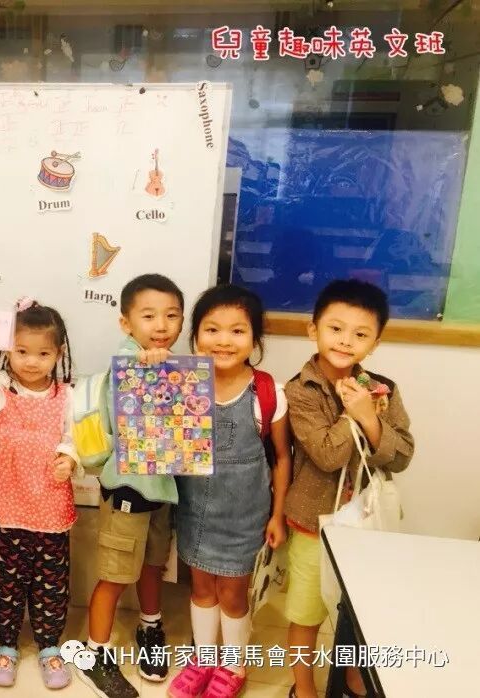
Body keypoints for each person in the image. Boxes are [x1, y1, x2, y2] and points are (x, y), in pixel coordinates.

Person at [283, 280, 414, 698]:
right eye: (336, 328)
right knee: (306, 613)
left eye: (360, 334)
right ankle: (303, 686)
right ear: (314, 330)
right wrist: (352, 415)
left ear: (374, 343)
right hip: (312, 523)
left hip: (365, 522)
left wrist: (370, 417)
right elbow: (326, 455)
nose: (345, 341)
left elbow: (402, 456)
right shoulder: (299, 390)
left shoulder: (383, 389)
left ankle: (355, 681)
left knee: (359, 610)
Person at [168, 285, 292, 698]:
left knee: (233, 595)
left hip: (244, 517)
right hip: (194, 510)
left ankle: (234, 666)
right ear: (195, 336)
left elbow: (282, 458)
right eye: (212, 329)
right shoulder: (180, 383)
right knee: (201, 589)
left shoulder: (268, 393)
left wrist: (277, 516)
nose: (223, 340)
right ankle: (204, 660)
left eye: (237, 331)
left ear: (255, 339)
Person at [76, 273, 185, 698]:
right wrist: (150, 369)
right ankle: (94, 654)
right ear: (126, 323)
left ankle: (149, 628)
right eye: (149, 315)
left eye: (172, 315)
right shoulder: (129, 364)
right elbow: (130, 412)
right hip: (128, 489)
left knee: (153, 564)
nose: (161, 325)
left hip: (160, 487)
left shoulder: (172, 365)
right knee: (115, 575)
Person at [0, 298, 78, 690]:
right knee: (7, 580)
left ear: (57, 353)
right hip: (9, 502)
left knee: (52, 581)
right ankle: (6, 644)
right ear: (8, 349)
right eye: (22, 351)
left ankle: (49, 645)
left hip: (50, 502)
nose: (31, 361)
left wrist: (69, 460)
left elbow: (73, 439)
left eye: (43, 353)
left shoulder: (67, 395)